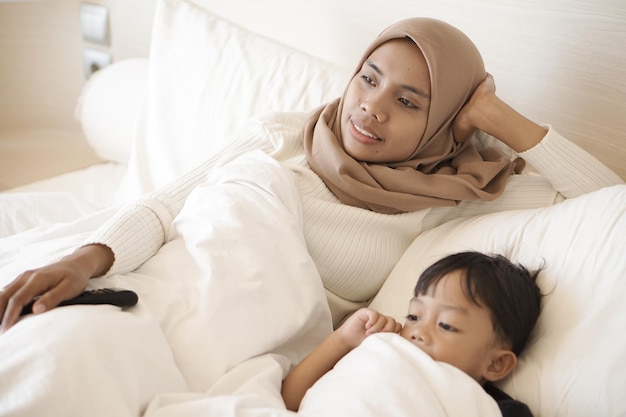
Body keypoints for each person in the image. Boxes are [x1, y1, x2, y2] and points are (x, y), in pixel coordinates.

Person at [0, 17, 622, 331]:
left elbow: (606, 200)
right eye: (368, 79)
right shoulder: (285, 133)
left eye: (410, 102)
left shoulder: (457, 197)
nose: (371, 108)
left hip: (223, 334)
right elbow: (167, 208)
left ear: (449, 125)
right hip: (147, 278)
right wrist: (84, 260)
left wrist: (493, 115)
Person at [281, 251, 542, 417]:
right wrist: (343, 340)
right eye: (414, 317)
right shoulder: (379, 351)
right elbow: (289, 397)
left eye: (446, 325)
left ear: (496, 363)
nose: (418, 332)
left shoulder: (496, 408)